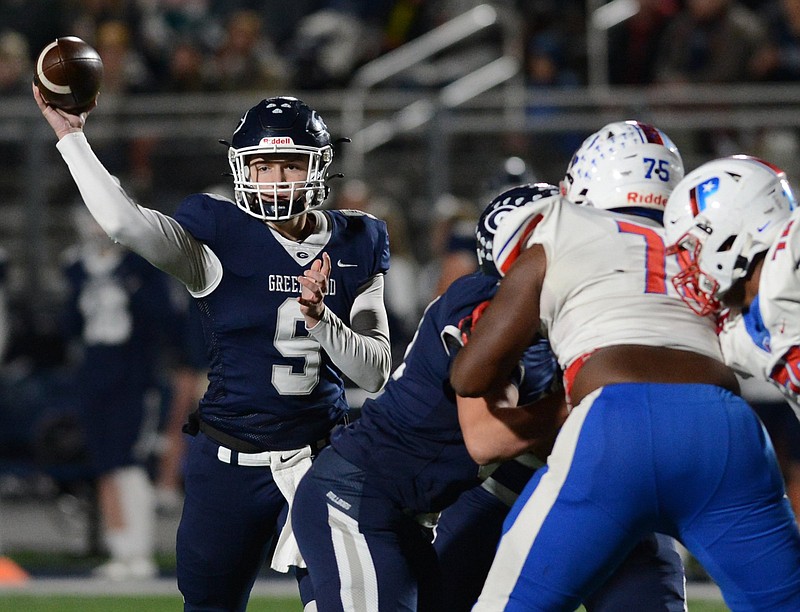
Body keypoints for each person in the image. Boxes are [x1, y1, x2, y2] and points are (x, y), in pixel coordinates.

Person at [33, 89, 392, 612]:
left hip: (321, 460)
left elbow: (375, 372)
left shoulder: (358, 240)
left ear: (318, 168)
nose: (275, 180)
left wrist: (322, 320)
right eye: (262, 166)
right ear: (241, 170)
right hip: (228, 463)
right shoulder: (219, 237)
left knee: (344, 604)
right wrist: (72, 138)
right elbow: (124, 224)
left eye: (289, 165)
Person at [292, 181, 688, 612]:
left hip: (408, 515)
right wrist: (579, 398)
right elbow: (486, 437)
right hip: (354, 501)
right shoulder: (486, 303)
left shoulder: (540, 320)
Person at [450, 127, 800, 609]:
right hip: (726, 431)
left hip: (614, 426)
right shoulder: (699, 240)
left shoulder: (559, 221)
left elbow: (470, 376)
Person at [435, 122, 694, 612]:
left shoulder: (637, 264)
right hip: (508, 483)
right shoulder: (500, 287)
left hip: (607, 485)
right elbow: (482, 432)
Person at [58, 206, 177, 580]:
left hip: (133, 377)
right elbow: (71, 326)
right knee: (105, 464)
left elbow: (165, 320)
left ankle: (139, 550)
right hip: (96, 375)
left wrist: (128, 282)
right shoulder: (78, 268)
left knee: (130, 463)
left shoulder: (140, 267)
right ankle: (119, 548)